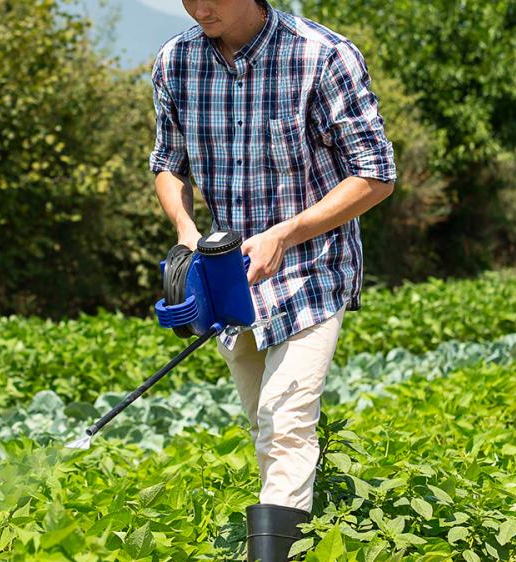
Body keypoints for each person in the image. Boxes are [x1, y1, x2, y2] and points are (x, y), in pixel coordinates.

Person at [149, 1, 397, 560]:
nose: (199, 6)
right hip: (229, 277)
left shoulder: (323, 56)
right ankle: (305, 529)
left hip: (312, 265)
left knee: (285, 420)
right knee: (267, 421)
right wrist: (187, 230)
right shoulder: (176, 61)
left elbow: (376, 174)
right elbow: (168, 162)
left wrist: (286, 234)